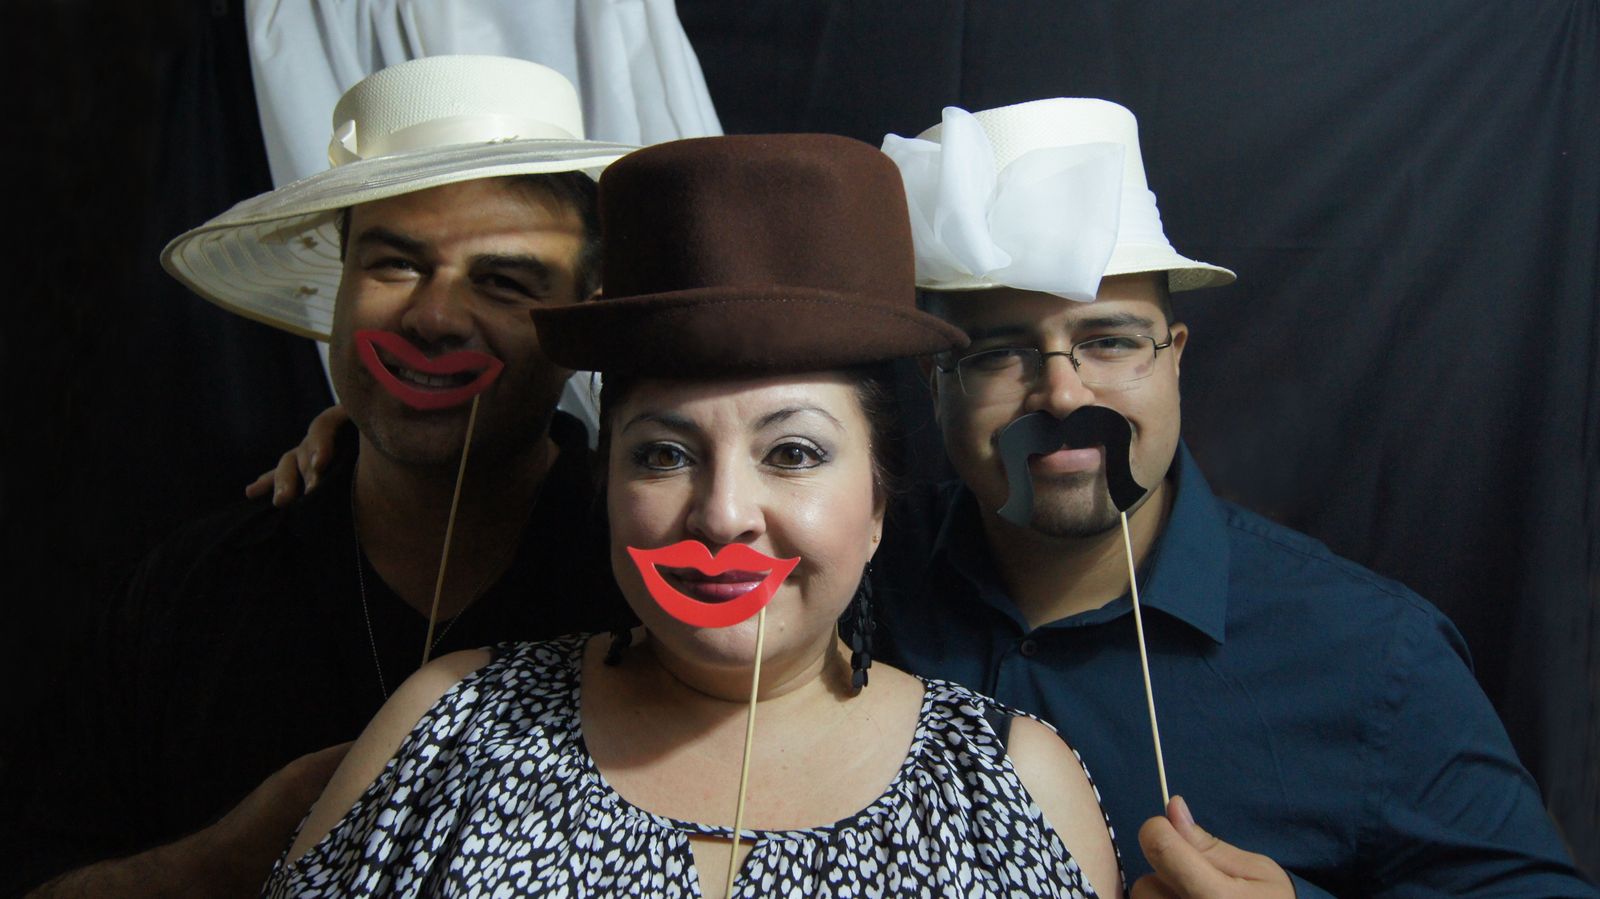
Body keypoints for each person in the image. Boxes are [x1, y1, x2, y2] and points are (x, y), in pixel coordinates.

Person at [263, 133, 1124, 898]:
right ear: (605, 483)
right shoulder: (447, 725)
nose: (722, 514)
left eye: (794, 452)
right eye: (664, 454)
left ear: (877, 503)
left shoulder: (1011, 784)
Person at [874, 98, 1598, 897]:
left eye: (1109, 341)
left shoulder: (1373, 653)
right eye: (998, 353)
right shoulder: (844, 589)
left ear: (1175, 358)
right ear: (933, 381)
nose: (1063, 393)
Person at [1, 56, 639, 898]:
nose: (434, 316)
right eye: (395, 264)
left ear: (583, 317)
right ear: (340, 282)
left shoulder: (646, 591)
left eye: (503, 281)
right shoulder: (192, 592)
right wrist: (224, 860)